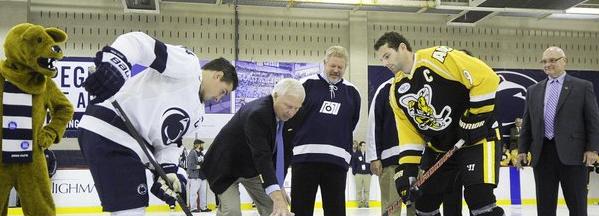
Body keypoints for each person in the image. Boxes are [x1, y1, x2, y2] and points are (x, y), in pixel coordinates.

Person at [78, 31, 238, 215]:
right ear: (218, 75)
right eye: (223, 92)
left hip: (131, 147)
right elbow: (139, 42)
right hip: (110, 131)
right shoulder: (189, 65)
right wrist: (116, 64)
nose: (219, 99)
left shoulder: (197, 116)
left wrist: (169, 170)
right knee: (131, 210)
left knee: (134, 209)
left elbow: (169, 144)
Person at [374, 31, 503, 216]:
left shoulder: (438, 57)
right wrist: (407, 169)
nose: (385, 63)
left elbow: (487, 77)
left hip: (478, 140)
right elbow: (408, 132)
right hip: (441, 149)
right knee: (424, 205)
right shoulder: (395, 91)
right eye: (381, 60)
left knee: (480, 200)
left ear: (403, 47)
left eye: (387, 56)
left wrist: (474, 117)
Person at [515, 46, 599, 216]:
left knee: (577, 206)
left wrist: (593, 149)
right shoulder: (533, 90)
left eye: (552, 60)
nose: (548, 64)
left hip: (574, 155)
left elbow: (593, 121)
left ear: (564, 61)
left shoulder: (582, 87)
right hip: (542, 154)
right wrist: (522, 150)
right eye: (544, 61)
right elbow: (527, 123)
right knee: (545, 207)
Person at [202, 78, 304, 216]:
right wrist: (277, 195)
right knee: (232, 212)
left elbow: (285, 153)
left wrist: (278, 185)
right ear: (275, 96)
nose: (291, 112)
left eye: (296, 108)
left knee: (276, 208)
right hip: (224, 167)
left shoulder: (293, 117)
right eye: (288, 106)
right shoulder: (257, 113)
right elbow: (262, 156)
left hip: (252, 168)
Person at [285, 45, 361, 216]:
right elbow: (291, 119)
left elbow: (352, 123)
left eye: (340, 67)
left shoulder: (352, 92)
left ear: (345, 67)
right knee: (301, 210)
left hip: (337, 162)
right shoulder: (306, 85)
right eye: (332, 66)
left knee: (335, 212)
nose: (336, 70)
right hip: (304, 159)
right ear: (324, 63)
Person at [367, 78, 416, 216]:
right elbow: (374, 123)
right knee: (391, 209)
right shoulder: (385, 88)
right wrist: (374, 157)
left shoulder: (423, 83)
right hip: (390, 162)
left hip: (418, 161)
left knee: (417, 209)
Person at [187, 139, 211, 212]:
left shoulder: (201, 153)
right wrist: (199, 167)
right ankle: (193, 208)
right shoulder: (192, 153)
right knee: (193, 193)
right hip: (195, 176)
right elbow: (190, 165)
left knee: (203, 193)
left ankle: (203, 207)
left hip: (202, 176)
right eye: (201, 144)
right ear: (197, 145)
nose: (202, 145)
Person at [351, 141, 372, 208]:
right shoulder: (356, 154)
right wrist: (354, 172)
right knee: (359, 190)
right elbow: (353, 164)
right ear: (360, 146)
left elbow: (371, 163)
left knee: (367, 190)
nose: (364, 147)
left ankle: (366, 203)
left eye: (365, 146)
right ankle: (359, 203)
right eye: (363, 145)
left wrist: (370, 173)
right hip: (358, 174)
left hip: (367, 175)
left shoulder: (368, 154)